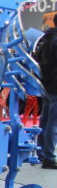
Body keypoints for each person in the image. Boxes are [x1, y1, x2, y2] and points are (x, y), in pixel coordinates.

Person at [37, 12, 57, 169]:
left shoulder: (45, 38)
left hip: (45, 83)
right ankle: (49, 157)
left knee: (45, 120)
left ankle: (41, 152)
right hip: (55, 85)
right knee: (53, 123)